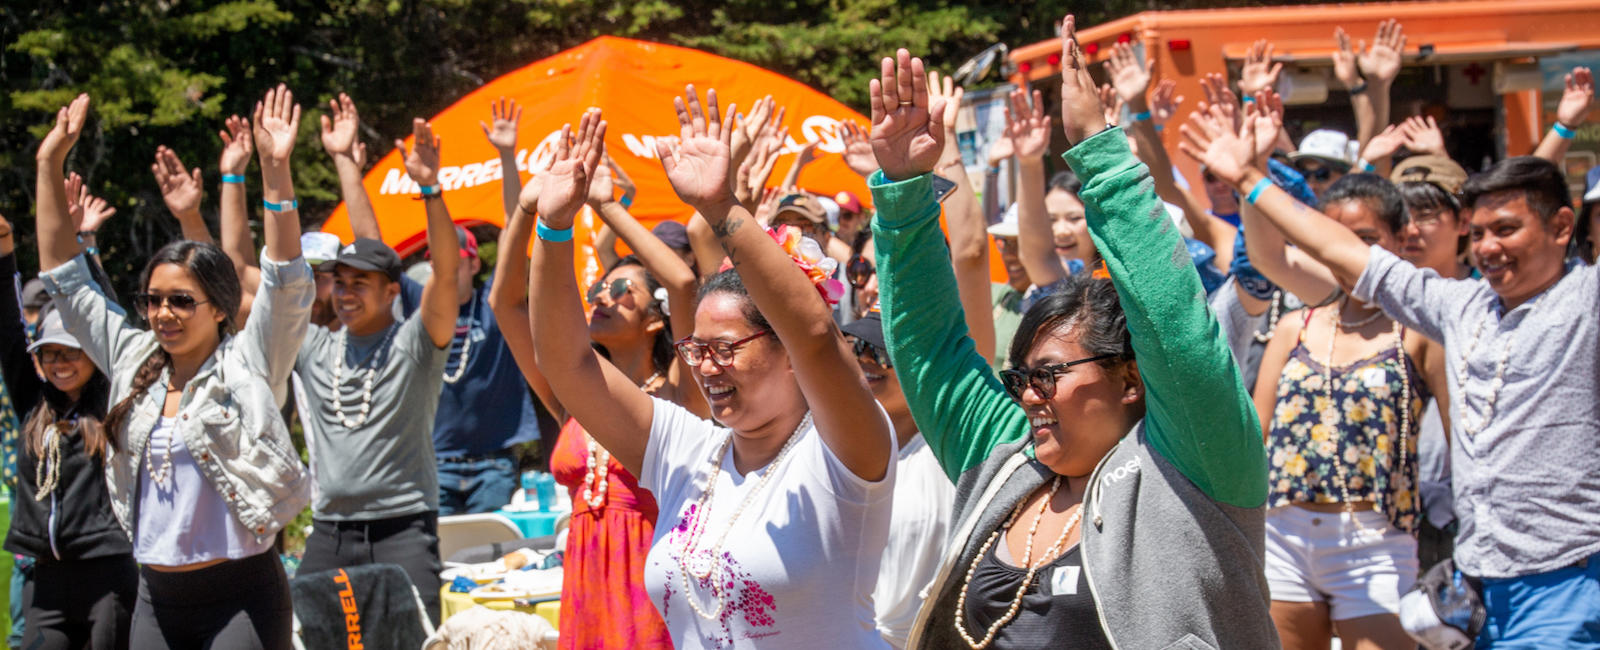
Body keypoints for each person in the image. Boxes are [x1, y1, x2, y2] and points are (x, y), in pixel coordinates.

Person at [872, 25, 1277, 648]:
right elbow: (932, 353)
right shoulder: (1010, 460)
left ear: (1132, 378)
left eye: (1049, 375)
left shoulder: (1197, 465)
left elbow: (1178, 331)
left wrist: (1099, 150)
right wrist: (903, 189)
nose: (1028, 395)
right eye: (1021, 378)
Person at [1183, 91, 1600, 647]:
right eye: (1479, 234)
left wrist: (1567, 127)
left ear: (1563, 227)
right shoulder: (1460, 306)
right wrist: (1250, 179)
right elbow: (1344, 252)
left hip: (1566, 574)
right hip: (1481, 583)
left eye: (1506, 229)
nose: (1489, 247)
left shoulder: (1587, 300)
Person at [527, 99, 895, 648]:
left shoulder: (843, 452)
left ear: (786, 350)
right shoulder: (688, 450)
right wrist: (554, 227)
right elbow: (568, 364)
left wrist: (722, 207)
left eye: (725, 348)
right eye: (696, 347)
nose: (702, 366)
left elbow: (817, 336)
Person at [36, 88, 313, 649]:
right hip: (156, 600)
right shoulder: (133, 358)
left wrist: (275, 169)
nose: (164, 312)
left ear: (218, 305)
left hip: (242, 597)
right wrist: (48, 163)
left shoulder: (249, 360)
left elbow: (285, 276)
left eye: (181, 300)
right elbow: (65, 276)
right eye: (154, 299)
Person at [490, 132, 700, 650]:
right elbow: (506, 304)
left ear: (656, 322)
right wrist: (528, 207)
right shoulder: (572, 394)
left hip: (658, 585)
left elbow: (682, 284)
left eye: (622, 290)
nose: (602, 297)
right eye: (596, 291)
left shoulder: (680, 394)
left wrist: (606, 208)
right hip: (585, 588)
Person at [1243, 169, 1450, 649]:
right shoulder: (1294, 327)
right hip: (1283, 534)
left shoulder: (1417, 332)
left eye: (1368, 239)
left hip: (1376, 540)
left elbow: (1465, 438)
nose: (1351, 254)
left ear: (1402, 239)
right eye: (1337, 239)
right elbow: (1256, 433)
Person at [291, 117, 460, 623]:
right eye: (338, 282)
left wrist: (430, 188)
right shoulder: (316, 344)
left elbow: (444, 272)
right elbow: (243, 273)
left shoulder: (413, 342)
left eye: (359, 283)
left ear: (393, 291)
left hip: (403, 530)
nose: (345, 292)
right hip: (328, 532)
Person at [2, 205, 136, 649]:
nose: (59, 362)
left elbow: (109, 320)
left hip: (108, 573)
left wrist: (86, 247)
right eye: (49, 353)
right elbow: (8, 331)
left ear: (91, 355)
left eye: (70, 351)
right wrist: (5, 253)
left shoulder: (112, 400)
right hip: (46, 578)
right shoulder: (34, 403)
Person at [841, 308, 953, 649]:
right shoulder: (832, 447)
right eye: (855, 347)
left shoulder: (952, 451)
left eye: (880, 350)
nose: (864, 359)